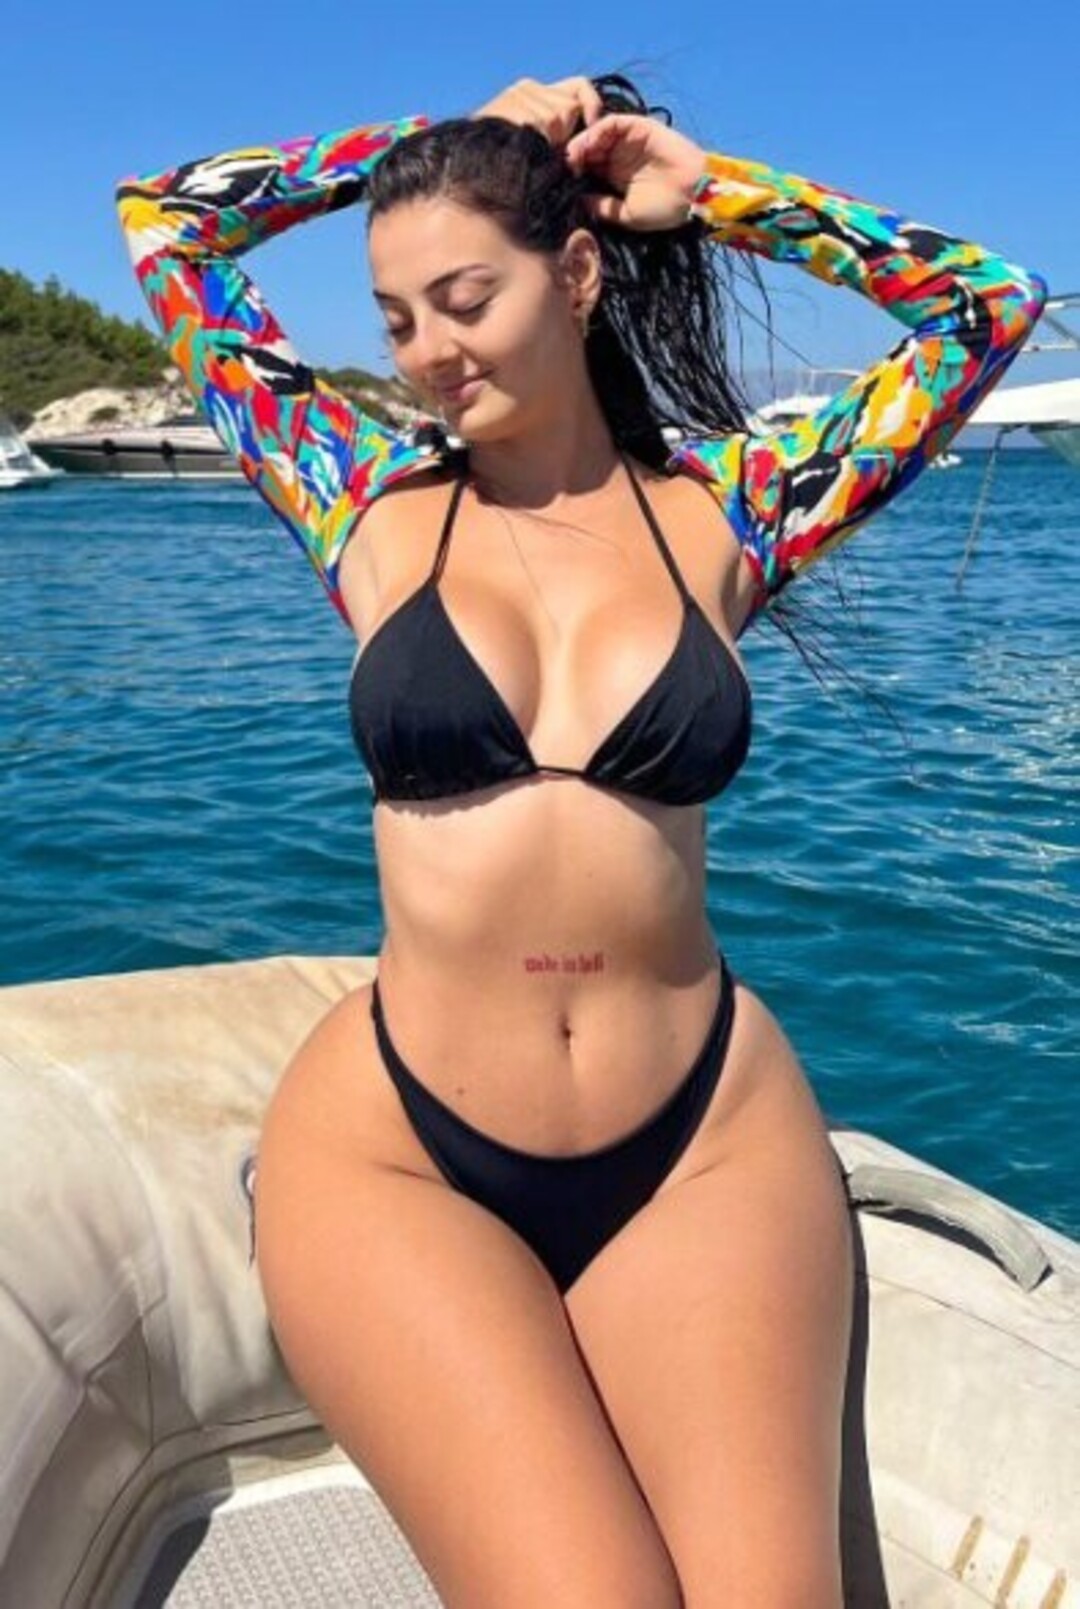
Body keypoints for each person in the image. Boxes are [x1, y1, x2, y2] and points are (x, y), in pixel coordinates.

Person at [116, 71, 1047, 1607]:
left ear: (578, 270)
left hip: (701, 1144)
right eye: (396, 317)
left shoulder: (735, 511)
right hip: (406, 1151)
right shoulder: (360, 501)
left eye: (464, 298)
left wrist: (718, 190)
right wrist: (438, 140)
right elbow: (168, 224)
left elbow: (984, 305)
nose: (428, 352)